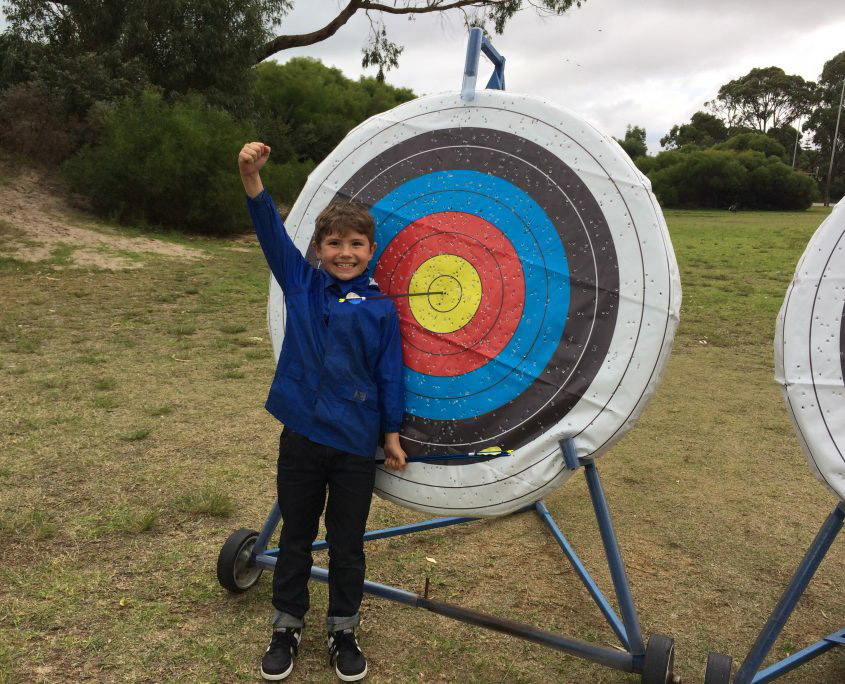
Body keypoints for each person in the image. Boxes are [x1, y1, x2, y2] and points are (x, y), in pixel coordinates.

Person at [238, 141, 407, 682]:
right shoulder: (303, 285)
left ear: (371, 249)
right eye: (334, 243)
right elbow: (272, 237)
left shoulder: (382, 309)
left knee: (346, 543)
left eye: (356, 244)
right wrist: (252, 181)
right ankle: (286, 625)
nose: (345, 253)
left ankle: (343, 629)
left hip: (357, 446)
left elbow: (390, 374)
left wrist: (392, 435)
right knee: (295, 536)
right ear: (318, 248)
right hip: (303, 438)